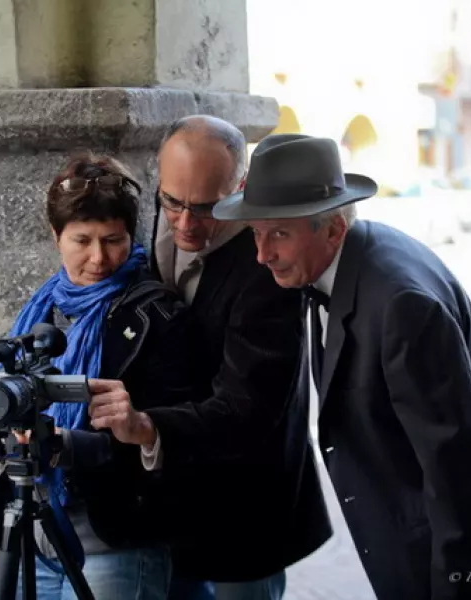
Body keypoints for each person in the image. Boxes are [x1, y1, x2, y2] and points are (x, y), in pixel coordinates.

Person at [208, 133, 471, 599]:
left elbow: (458, 472)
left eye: (279, 233)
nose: (262, 254)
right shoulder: (340, 263)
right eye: (256, 233)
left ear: (334, 228)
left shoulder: (401, 305)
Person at [88, 116, 332, 600]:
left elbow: (247, 411)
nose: (183, 223)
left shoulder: (268, 267)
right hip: (165, 509)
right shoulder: (152, 218)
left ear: (240, 187)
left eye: (205, 208)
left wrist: (149, 427)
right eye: (172, 202)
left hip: (243, 510)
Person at [0, 153, 195, 600]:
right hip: (36, 536)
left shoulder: (158, 316)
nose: (99, 258)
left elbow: (177, 439)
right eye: (82, 240)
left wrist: (67, 445)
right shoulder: (44, 308)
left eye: (113, 240)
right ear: (56, 237)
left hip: (114, 542)